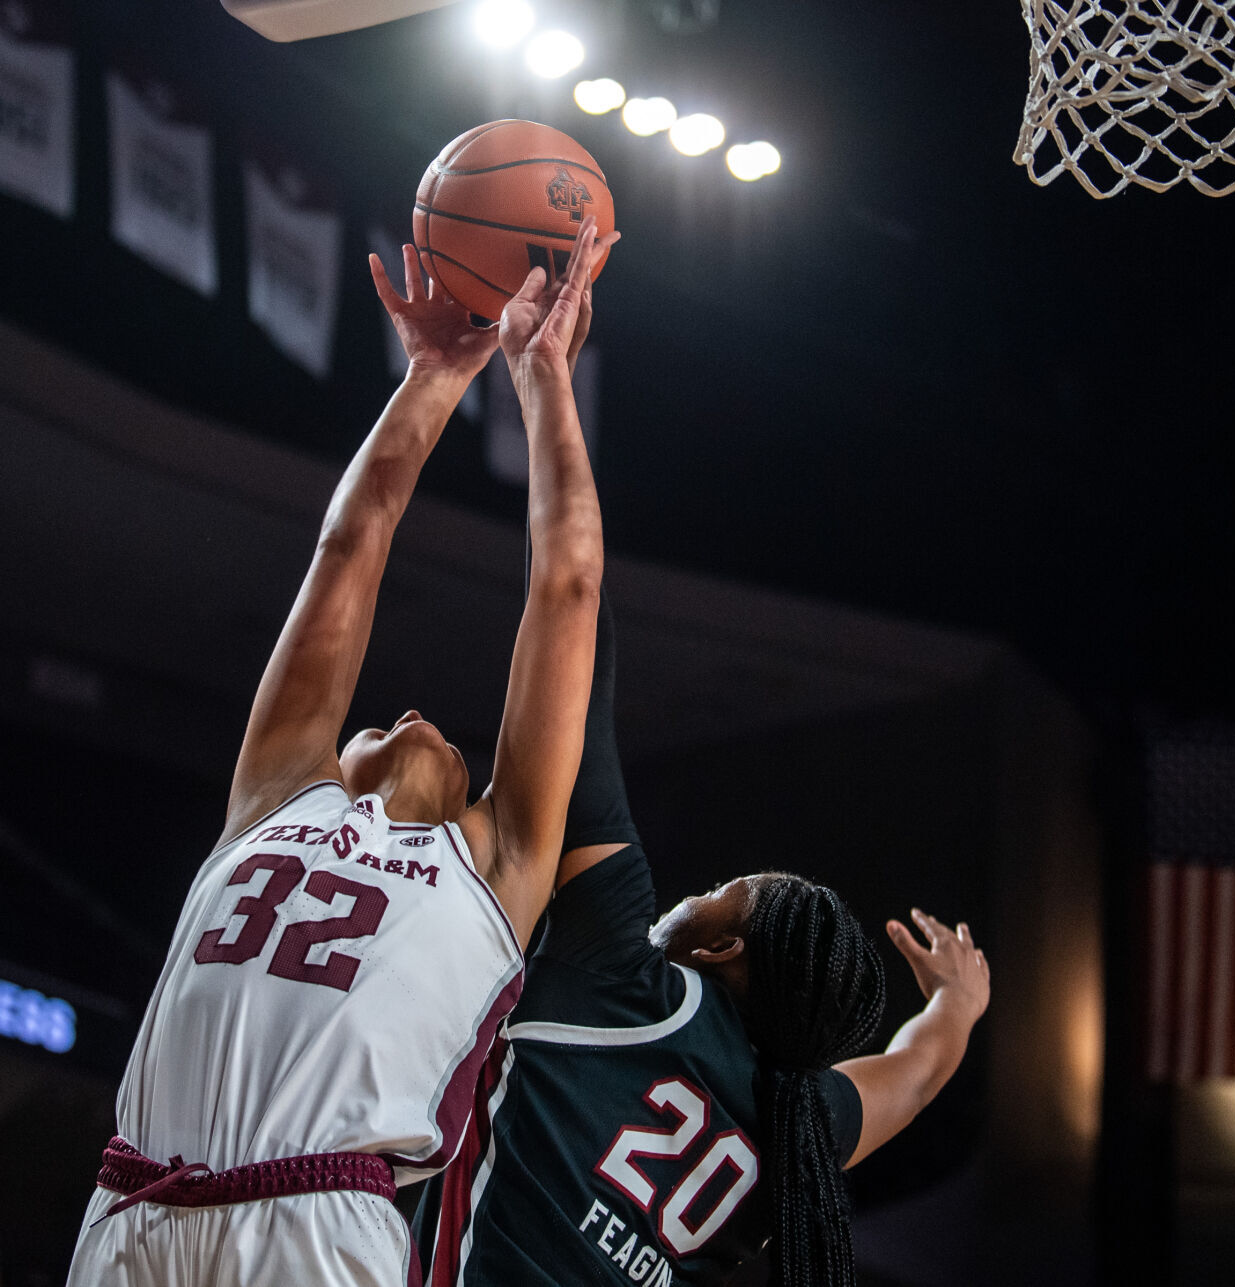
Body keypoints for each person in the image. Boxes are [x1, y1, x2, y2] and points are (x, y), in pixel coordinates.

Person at [66, 217, 618, 1287]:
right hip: (133, 1205)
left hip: (317, 1224)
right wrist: (432, 378)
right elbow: (350, 540)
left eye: (442, 735)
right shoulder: (277, 792)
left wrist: (544, 377)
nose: (409, 710)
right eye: (375, 720)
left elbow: (569, 588)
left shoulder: (499, 863)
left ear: (474, 794)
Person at [413, 581, 992, 1287]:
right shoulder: (805, 1123)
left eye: (717, 894)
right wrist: (956, 1007)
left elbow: (575, 646)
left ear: (720, 948)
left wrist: (574, 525)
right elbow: (921, 1073)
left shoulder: (623, 975)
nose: (696, 894)